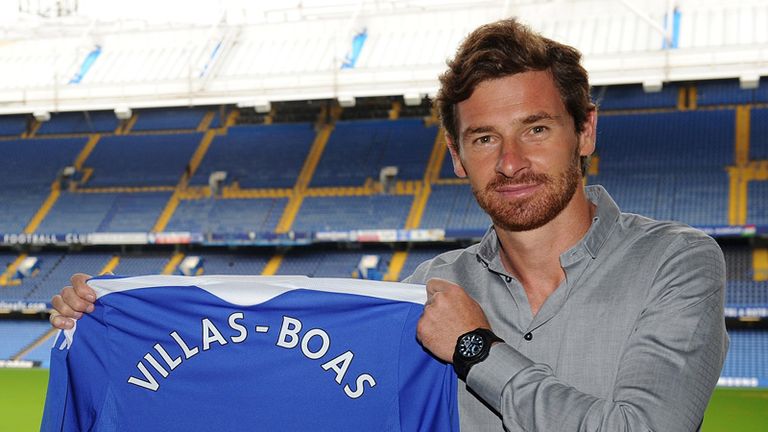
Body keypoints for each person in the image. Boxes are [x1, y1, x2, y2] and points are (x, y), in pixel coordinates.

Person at [52, 18, 728, 432]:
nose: (511, 161)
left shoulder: (677, 263)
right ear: (457, 157)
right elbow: (294, 392)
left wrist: (476, 350)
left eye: (536, 129)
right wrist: (104, 325)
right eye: (484, 139)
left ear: (585, 131)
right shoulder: (424, 292)